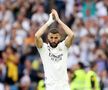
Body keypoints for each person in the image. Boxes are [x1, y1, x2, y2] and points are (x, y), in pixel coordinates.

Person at [35, 9, 74, 90]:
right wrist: (49, 22)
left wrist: (58, 20)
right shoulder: (44, 49)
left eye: (56, 37)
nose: (53, 40)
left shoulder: (63, 47)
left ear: (59, 37)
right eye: (51, 37)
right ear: (48, 37)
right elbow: (36, 36)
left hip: (64, 87)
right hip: (50, 87)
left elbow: (71, 35)